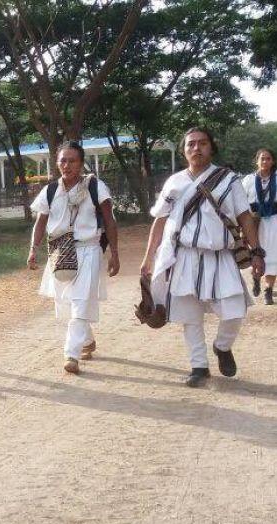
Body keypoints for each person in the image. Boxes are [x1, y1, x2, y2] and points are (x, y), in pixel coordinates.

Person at [141, 127, 266, 387]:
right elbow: (160, 221)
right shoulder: (174, 182)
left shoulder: (229, 180)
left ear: (211, 147)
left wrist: (256, 251)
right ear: (184, 150)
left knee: (234, 311)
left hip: (221, 256)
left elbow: (244, 216)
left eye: (202, 143)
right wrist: (148, 257)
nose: (196, 148)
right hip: (185, 256)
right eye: (191, 144)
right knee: (189, 315)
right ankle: (199, 366)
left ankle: (222, 346)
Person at [27, 141, 120, 374]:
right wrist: (32, 249)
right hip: (59, 251)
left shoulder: (95, 187)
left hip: (88, 250)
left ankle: (71, 354)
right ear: (57, 163)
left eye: (72, 160)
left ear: (81, 163)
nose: (67, 165)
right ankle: (87, 341)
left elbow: (109, 220)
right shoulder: (50, 191)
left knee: (80, 300)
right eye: (62, 160)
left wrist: (115, 253)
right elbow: (41, 222)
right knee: (67, 303)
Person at [241, 148, 277, 304]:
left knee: (273, 256)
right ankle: (256, 278)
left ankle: (268, 290)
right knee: (257, 253)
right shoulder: (248, 180)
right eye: (262, 159)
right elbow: (241, 202)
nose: (265, 162)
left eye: (268, 159)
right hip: (254, 222)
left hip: (274, 221)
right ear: (257, 161)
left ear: (273, 161)